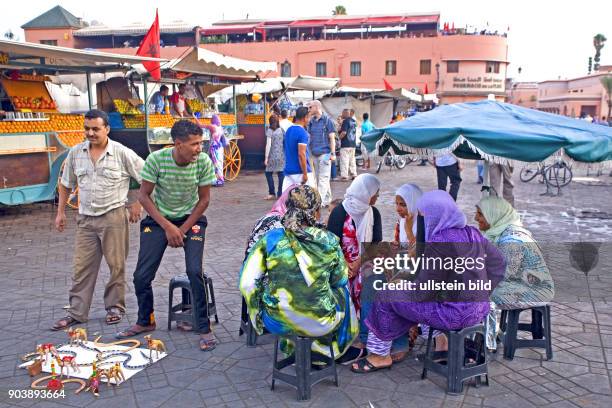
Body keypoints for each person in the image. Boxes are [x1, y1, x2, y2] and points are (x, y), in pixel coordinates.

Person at [351, 190, 506, 373]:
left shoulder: (440, 241)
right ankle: (442, 346)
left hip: (455, 314)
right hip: (479, 309)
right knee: (427, 299)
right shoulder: (471, 233)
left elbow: (421, 292)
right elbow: (499, 263)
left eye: (425, 217)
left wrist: (400, 285)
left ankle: (380, 355)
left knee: (386, 295)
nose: (424, 221)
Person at [116, 120, 218, 351]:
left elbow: (204, 200)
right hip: (158, 219)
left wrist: (180, 230)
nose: (199, 148)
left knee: (194, 271)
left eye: (200, 143)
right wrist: (168, 227)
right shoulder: (156, 160)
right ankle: (145, 321)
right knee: (141, 276)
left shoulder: (202, 161)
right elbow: (143, 196)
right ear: (178, 143)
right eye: (194, 144)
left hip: (191, 220)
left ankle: (203, 327)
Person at [240, 185, 358, 358]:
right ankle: (328, 350)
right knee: (343, 292)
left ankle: (293, 345)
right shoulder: (330, 241)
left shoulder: (271, 239)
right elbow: (339, 280)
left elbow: (247, 283)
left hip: (277, 321)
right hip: (321, 321)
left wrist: (257, 314)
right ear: (316, 211)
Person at [52, 109, 144, 330]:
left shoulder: (122, 153)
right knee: (81, 267)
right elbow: (66, 183)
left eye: (95, 129)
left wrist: (137, 203)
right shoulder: (76, 153)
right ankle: (76, 313)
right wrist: (61, 211)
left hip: (113, 217)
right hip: (85, 219)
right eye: (87, 129)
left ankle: (115, 307)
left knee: (116, 266)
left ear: (107, 129)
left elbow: (146, 177)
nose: (90, 133)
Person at [475, 196, 554, 351]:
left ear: (494, 215)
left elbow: (504, 274)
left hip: (535, 290)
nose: (476, 217)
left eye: (480, 214)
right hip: (520, 282)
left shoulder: (512, 239)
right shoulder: (500, 231)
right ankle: (485, 336)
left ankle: (484, 343)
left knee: (479, 295)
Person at [327, 174, 382, 313]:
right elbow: (331, 245)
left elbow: (376, 243)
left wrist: (359, 262)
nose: (378, 196)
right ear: (365, 192)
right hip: (342, 263)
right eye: (375, 193)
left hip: (366, 260)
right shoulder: (339, 212)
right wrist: (345, 264)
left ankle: (366, 323)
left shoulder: (374, 213)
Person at [306, 100, 336, 207]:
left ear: (317, 107)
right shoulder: (311, 122)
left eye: (310, 107)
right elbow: (309, 137)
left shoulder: (328, 121)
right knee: (321, 179)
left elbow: (332, 138)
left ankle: (319, 203)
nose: (308, 110)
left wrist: (332, 154)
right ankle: (327, 199)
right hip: (314, 154)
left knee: (323, 179)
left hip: (325, 154)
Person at [282, 106, 315, 191]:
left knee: (286, 200)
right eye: (309, 117)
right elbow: (301, 154)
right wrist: (305, 174)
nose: (309, 120)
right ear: (305, 118)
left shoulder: (288, 130)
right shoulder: (302, 133)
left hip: (289, 171)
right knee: (312, 199)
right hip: (300, 172)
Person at [196, 114, 227, 187]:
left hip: (214, 147)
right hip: (219, 147)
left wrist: (195, 118)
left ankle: (218, 180)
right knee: (219, 163)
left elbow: (200, 125)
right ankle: (219, 179)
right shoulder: (220, 128)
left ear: (213, 120)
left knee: (213, 163)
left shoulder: (212, 126)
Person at [393, 184, 423, 251]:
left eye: (403, 205)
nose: (397, 209)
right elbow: (399, 245)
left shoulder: (425, 224)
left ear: (414, 203)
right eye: (396, 204)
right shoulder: (401, 221)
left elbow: (419, 252)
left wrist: (409, 230)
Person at [264, 115, 285, 199]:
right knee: (281, 174)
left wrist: (266, 157)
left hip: (272, 156)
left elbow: (268, 145)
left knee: (268, 173)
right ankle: (280, 193)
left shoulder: (270, 131)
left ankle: (272, 193)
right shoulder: (282, 130)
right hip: (281, 156)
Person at [339, 109, 358, 180]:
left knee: (344, 160)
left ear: (346, 113)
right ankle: (353, 174)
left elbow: (344, 132)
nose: (341, 115)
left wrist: (338, 139)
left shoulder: (345, 121)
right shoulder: (354, 121)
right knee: (352, 160)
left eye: (342, 113)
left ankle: (344, 176)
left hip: (346, 143)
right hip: (353, 143)